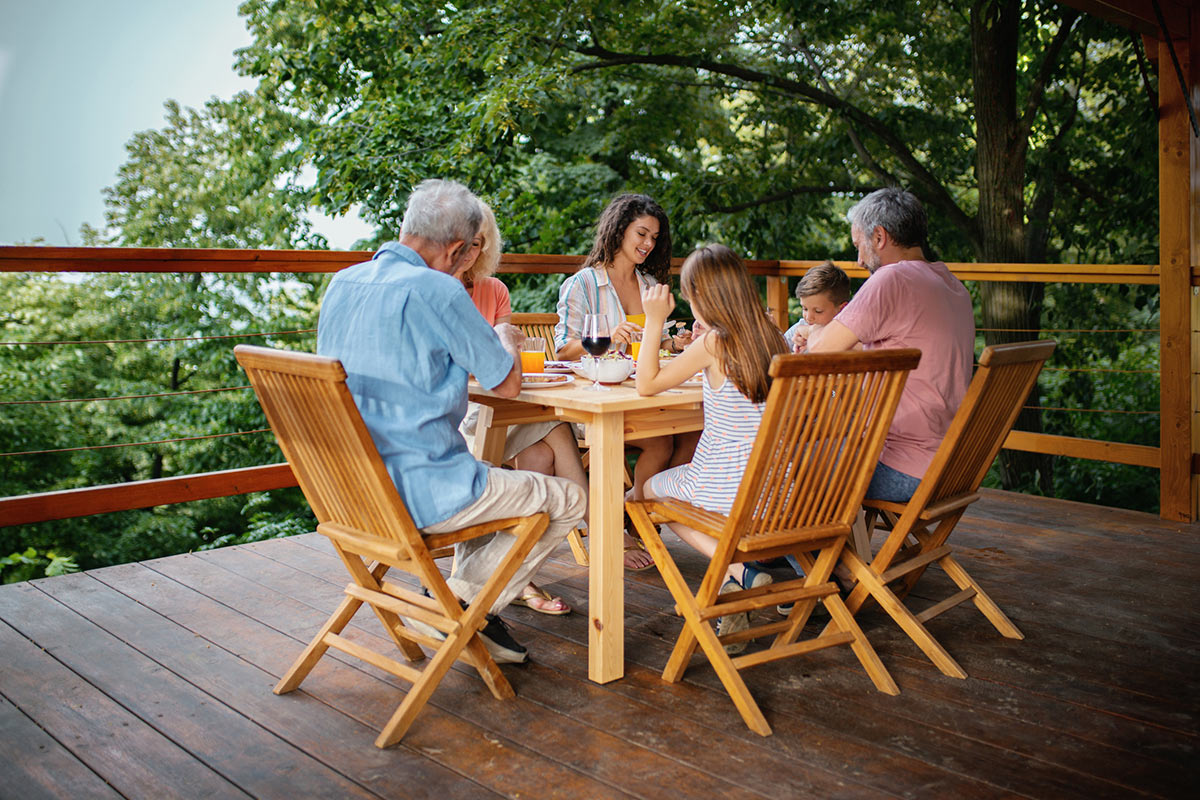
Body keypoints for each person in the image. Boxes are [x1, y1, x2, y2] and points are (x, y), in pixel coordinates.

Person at [316, 179, 587, 664]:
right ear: (459, 249)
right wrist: (504, 334)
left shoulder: (343, 282)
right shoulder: (437, 289)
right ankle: (454, 606)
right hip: (426, 493)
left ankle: (463, 611)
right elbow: (504, 384)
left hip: (347, 492)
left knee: (488, 465)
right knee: (568, 498)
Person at [634, 244, 789, 653]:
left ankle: (734, 570)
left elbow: (646, 384)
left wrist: (653, 322)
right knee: (664, 488)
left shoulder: (716, 343)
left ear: (704, 295)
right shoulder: (774, 337)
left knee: (646, 494)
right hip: (780, 491)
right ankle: (732, 591)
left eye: (689, 296)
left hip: (729, 488)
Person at [554, 193, 700, 570]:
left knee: (694, 433)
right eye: (641, 233)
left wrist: (675, 341)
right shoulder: (583, 285)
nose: (648, 244)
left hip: (644, 394)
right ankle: (636, 518)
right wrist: (604, 336)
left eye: (654, 237)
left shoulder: (649, 283)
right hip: (597, 400)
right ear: (619, 230)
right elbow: (561, 351)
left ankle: (637, 511)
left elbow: (654, 344)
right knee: (662, 440)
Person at [808, 187, 975, 504]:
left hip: (905, 466)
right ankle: (818, 552)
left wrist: (810, 331)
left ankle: (800, 554)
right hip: (953, 466)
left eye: (859, 246)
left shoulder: (891, 279)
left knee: (785, 463)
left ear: (880, 237)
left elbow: (817, 354)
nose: (858, 261)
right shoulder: (953, 286)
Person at [456, 200, 583, 615]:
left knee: (552, 430)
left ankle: (518, 571)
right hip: (466, 414)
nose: (471, 255)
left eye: (479, 244)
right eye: (465, 244)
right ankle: (588, 532)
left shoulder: (495, 290)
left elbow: (505, 371)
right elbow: (485, 365)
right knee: (550, 435)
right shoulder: (436, 292)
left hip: (502, 404)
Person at [782, 260, 851, 352]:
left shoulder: (851, 334)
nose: (809, 317)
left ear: (842, 309)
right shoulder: (800, 329)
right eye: (805, 308)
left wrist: (814, 333)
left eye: (818, 311)